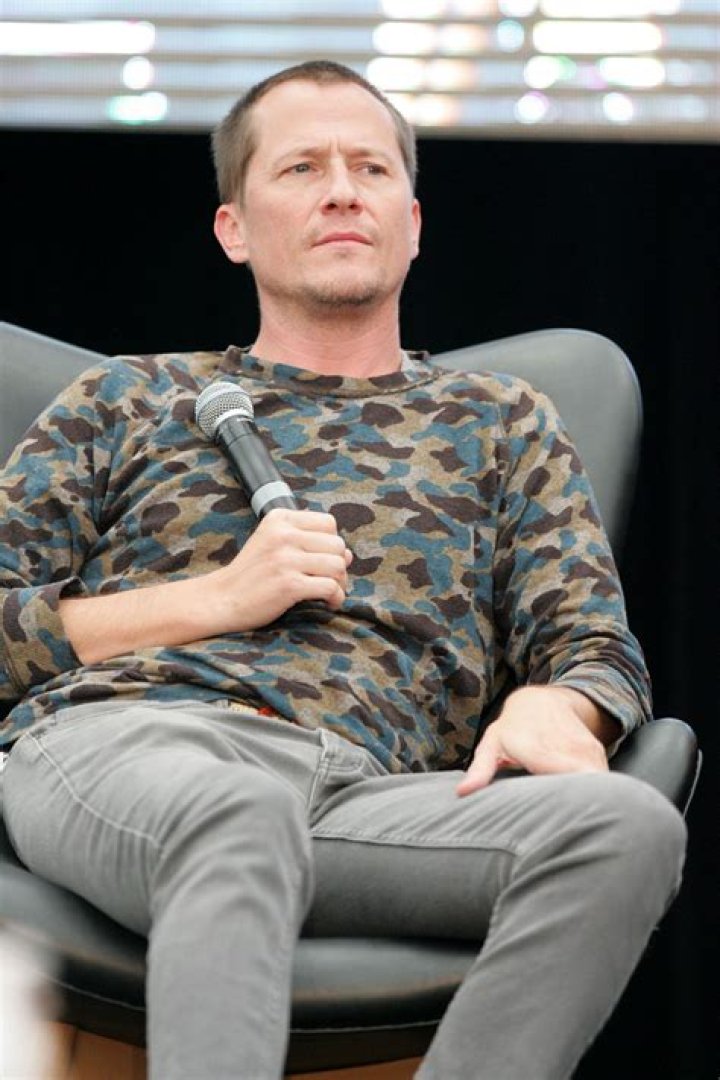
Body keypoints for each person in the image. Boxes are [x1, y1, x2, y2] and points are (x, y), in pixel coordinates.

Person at [0, 61, 686, 1079]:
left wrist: (567, 703)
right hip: (132, 749)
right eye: (301, 168)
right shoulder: (128, 400)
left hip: (364, 794)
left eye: (370, 168)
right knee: (236, 814)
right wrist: (217, 599)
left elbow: (594, 643)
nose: (341, 191)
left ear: (412, 222)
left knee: (627, 826)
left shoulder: (501, 421)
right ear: (234, 228)